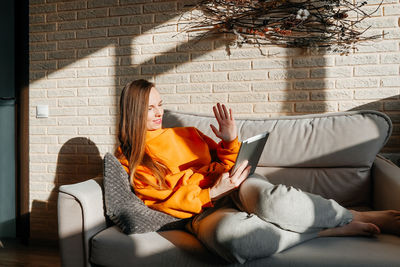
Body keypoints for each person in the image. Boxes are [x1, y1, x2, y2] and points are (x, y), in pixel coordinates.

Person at [115, 79, 400, 263]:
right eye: (150, 108)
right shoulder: (130, 158)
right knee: (231, 241)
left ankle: (359, 215)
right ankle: (324, 231)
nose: (158, 113)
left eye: (161, 105)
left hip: (237, 183)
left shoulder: (186, 133)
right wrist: (212, 192)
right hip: (204, 209)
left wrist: (229, 140)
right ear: (132, 111)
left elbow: (228, 162)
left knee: (271, 201)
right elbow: (160, 199)